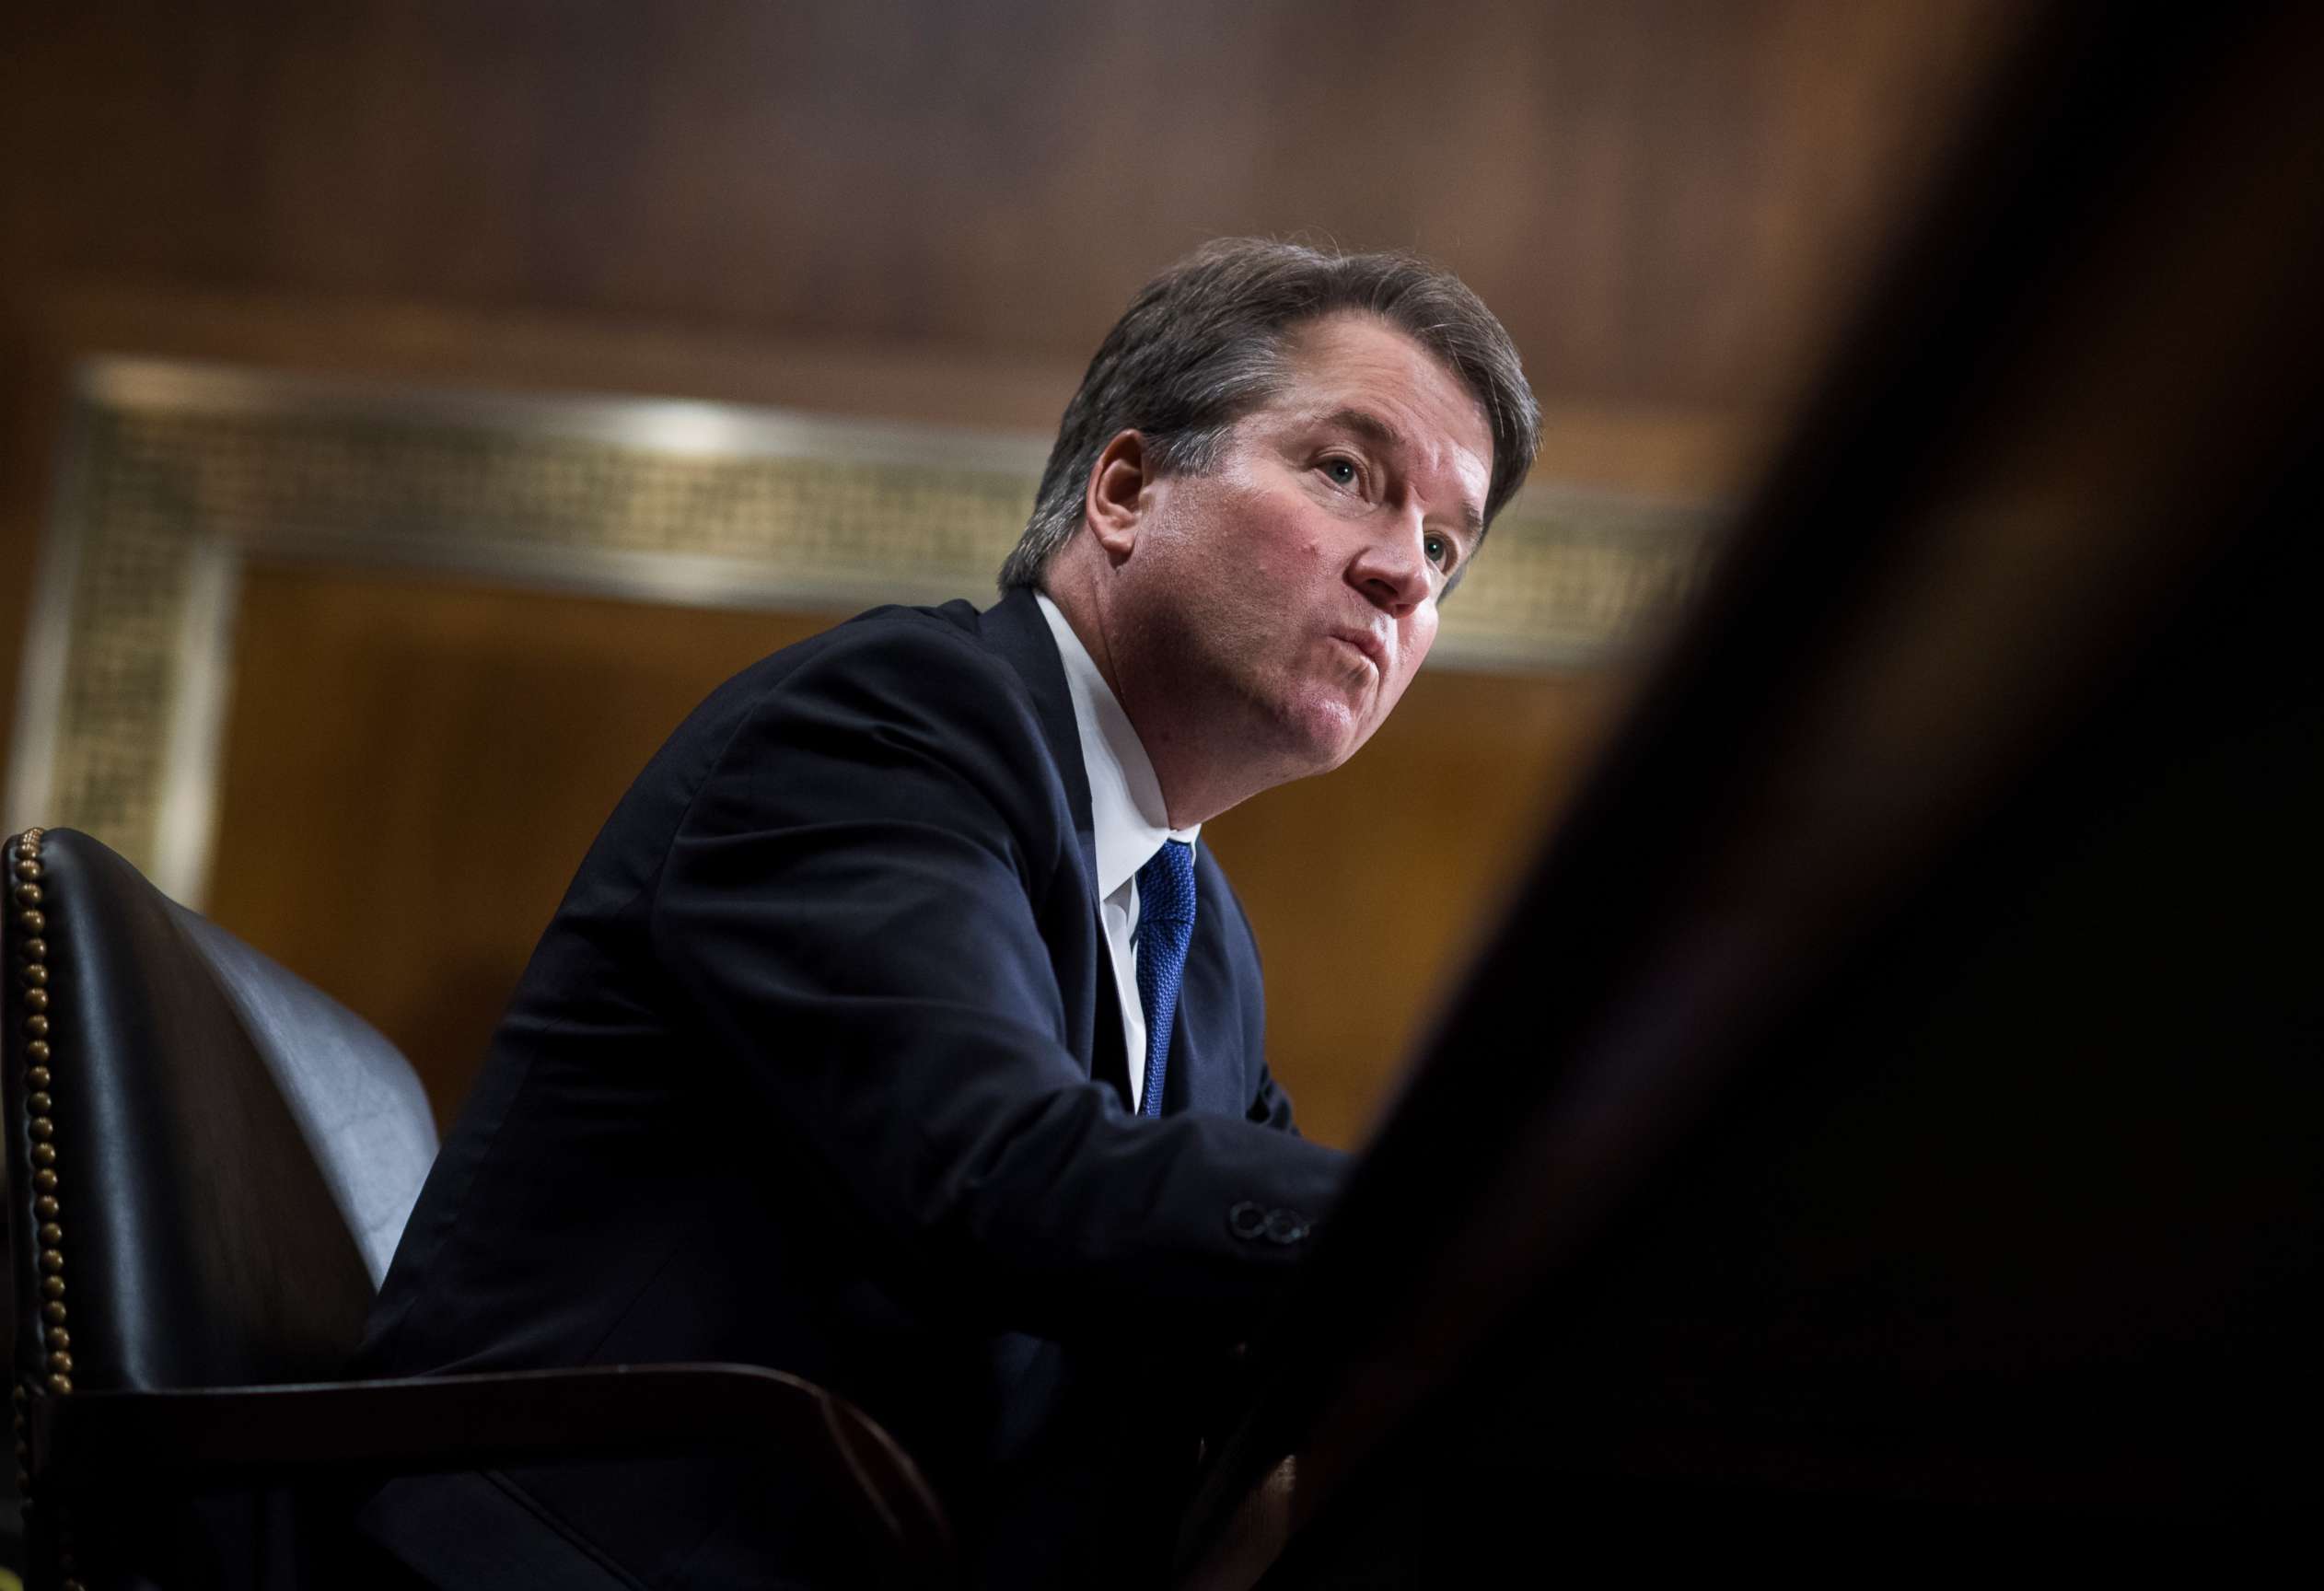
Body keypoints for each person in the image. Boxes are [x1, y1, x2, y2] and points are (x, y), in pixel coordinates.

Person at [351, 238, 1540, 1588]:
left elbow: (1228, 1298)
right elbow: (999, 1168)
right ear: (1129, 488)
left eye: (1446, 547)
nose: (1404, 574)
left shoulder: (1197, 947)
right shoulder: (894, 721)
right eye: (1345, 474)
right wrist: (1486, 1226)